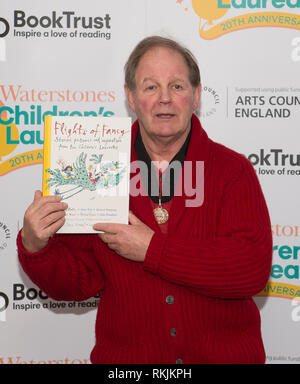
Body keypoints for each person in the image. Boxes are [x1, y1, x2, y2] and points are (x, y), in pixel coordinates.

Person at [17, 36, 272, 364]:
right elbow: (80, 281)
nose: (165, 98)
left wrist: (153, 250)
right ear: (131, 97)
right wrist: (37, 246)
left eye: (177, 86)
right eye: (150, 87)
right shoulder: (96, 170)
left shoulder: (232, 171)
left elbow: (250, 270)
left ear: (196, 96)